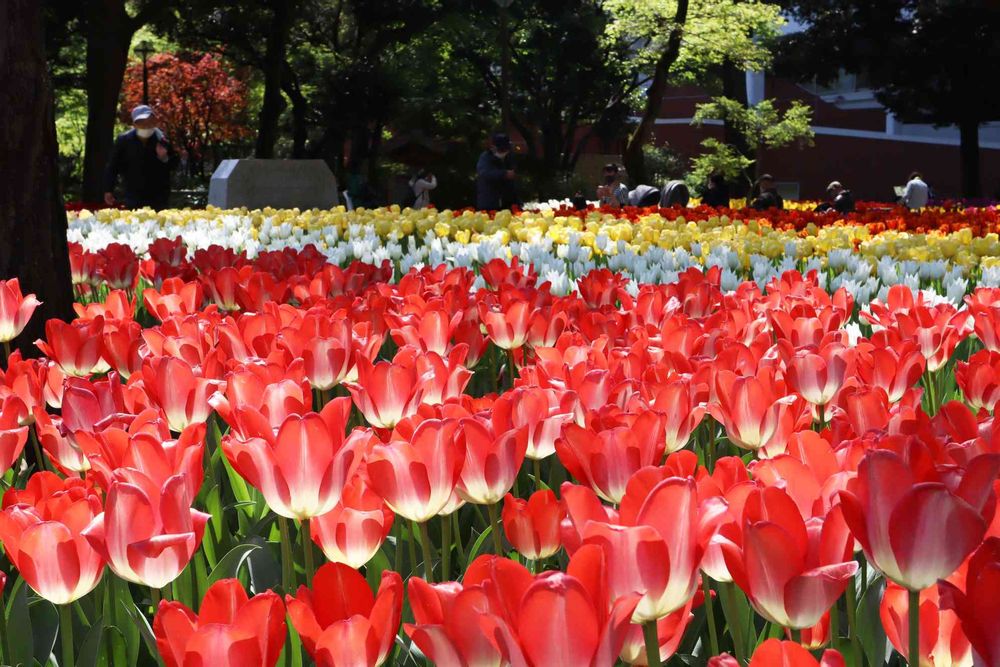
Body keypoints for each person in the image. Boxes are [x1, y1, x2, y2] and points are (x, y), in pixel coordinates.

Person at [104, 105, 176, 210]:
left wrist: (164, 157)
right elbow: (113, 166)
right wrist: (108, 190)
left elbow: (174, 165)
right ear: (134, 124)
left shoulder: (162, 139)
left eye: (150, 122)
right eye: (142, 123)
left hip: (158, 196)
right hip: (133, 194)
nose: (146, 126)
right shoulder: (124, 140)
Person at [476, 133, 518, 210]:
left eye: (506, 150)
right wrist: (504, 174)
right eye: (501, 150)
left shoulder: (509, 157)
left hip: (507, 201)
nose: (504, 152)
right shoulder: (485, 158)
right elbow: (484, 173)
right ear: (493, 147)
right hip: (489, 201)